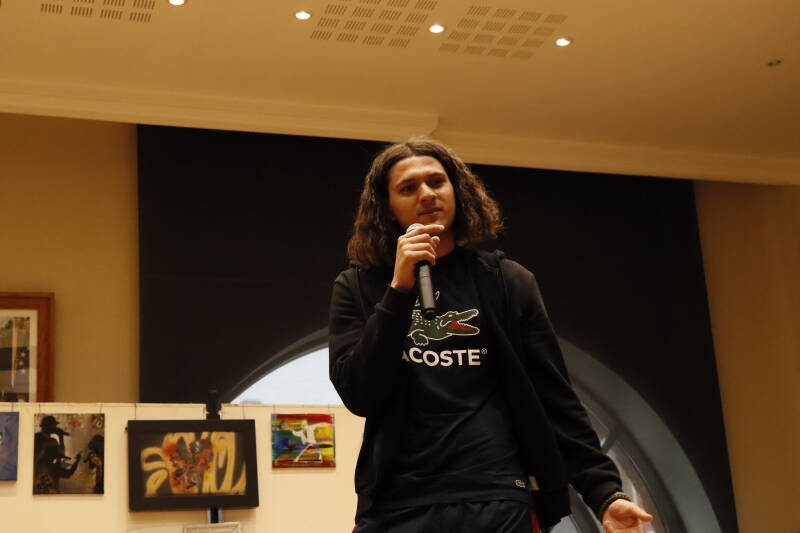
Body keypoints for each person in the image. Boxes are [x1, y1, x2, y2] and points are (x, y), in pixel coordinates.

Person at [328, 138, 654, 533]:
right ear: (387, 206)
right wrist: (398, 290)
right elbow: (359, 393)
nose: (427, 194)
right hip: (398, 501)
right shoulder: (357, 288)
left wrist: (604, 493)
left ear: (457, 191)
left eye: (436, 182)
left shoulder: (506, 281)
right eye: (408, 187)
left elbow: (554, 397)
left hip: (496, 493)